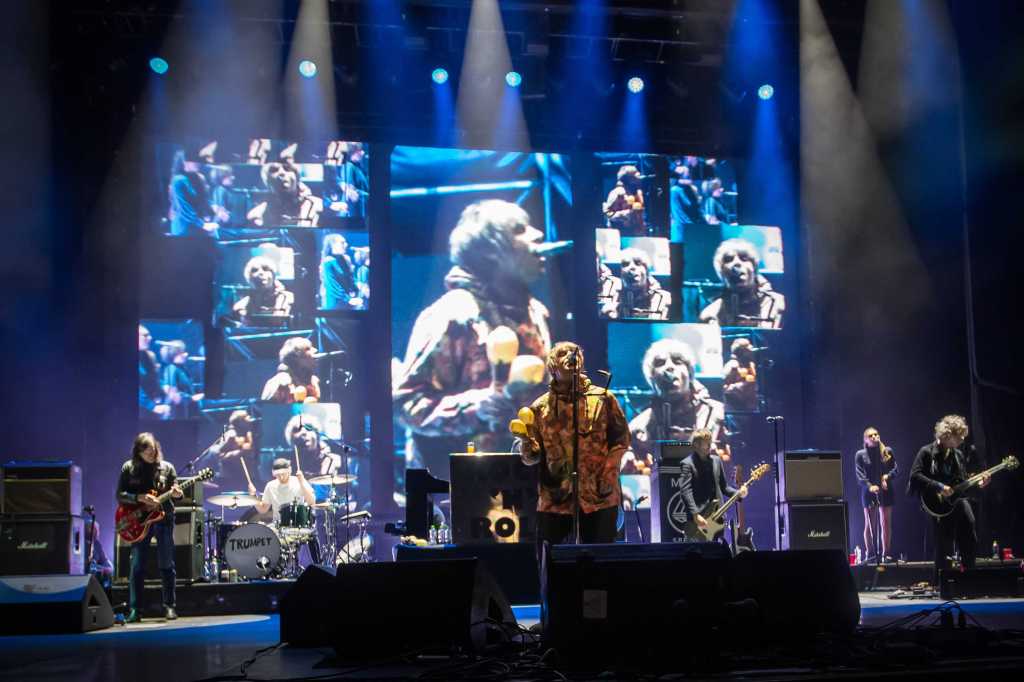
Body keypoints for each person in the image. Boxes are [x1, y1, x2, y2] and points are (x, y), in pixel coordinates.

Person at [393, 199, 552, 475]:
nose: (538, 234)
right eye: (519, 229)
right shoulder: (453, 314)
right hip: (463, 491)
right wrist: (479, 407)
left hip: (524, 483)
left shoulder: (535, 313)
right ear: (489, 251)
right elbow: (407, 405)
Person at [516, 342, 631, 547]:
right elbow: (531, 458)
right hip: (556, 500)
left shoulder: (603, 399)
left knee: (600, 563)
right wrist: (525, 443)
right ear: (552, 366)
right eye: (563, 353)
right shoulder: (540, 407)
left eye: (574, 352)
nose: (571, 355)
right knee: (552, 564)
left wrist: (610, 469)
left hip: (599, 496)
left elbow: (621, 439)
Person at [620, 339, 727, 474]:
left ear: (689, 372)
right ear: (652, 378)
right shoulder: (638, 428)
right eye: (660, 363)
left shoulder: (719, 415)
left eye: (677, 361)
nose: (669, 367)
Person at [908, 415, 989, 580]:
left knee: (969, 527)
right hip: (935, 503)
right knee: (944, 541)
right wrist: (939, 486)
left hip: (956, 501)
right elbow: (915, 476)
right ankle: (943, 582)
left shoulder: (958, 455)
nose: (962, 439)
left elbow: (961, 484)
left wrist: (979, 483)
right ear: (947, 435)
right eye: (959, 436)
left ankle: (969, 577)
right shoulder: (926, 452)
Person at [116, 432, 182, 622]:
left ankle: (169, 606)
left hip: (163, 518)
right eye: (148, 451)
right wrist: (139, 498)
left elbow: (176, 490)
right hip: (139, 521)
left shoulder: (167, 468)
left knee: (167, 563)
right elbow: (120, 494)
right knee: (137, 566)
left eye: (154, 450)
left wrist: (177, 494)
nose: (152, 454)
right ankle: (136, 609)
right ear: (139, 451)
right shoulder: (129, 468)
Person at [678, 428, 748, 541]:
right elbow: (685, 492)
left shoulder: (716, 461)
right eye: (707, 443)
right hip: (699, 519)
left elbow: (724, 487)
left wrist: (739, 493)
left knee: (715, 552)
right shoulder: (687, 464)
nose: (710, 445)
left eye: (710, 442)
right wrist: (695, 515)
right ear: (696, 445)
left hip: (718, 516)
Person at [699, 238, 785, 329]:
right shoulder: (710, 314)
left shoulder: (778, 304)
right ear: (721, 272)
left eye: (744, 258)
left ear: (754, 268)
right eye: (728, 259)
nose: (737, 263)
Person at [248, 457, 321, 564]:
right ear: (274, 474)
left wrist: (302, 481)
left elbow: (311, 502)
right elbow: (263, 509)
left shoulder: (298, 481)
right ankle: (266, 567)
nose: (281, 477)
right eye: (278, 475)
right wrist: (253, 496)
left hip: (299, 525)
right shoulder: (270, 486)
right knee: (262, 535)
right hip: (278, 526)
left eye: (284, 473)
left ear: (289, 470)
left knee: (312, 534)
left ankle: (318, 565)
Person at [855, 427, 898, 562]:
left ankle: (886, 554)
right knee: (870, 524)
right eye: (871, 435)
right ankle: (871, 554)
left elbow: (896, 469)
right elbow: (859, 474)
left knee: (886, 523)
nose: (874, 436)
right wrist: (870, 486)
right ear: (865, 440)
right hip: (869, 492)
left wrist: (887, 477)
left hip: (886, 490)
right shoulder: (860, 454)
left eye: (876, 434)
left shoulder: (887, 451)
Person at [248, 151, 323, 228]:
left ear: (297, 177)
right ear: (268, 181)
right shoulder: (257, 215)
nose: (281, 173)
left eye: (287, 168)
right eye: (274, 170)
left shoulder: (318, 206)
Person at [599, 248, 671, 320]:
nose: (632, 267)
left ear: (647, 270)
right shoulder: (613, 300)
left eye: (638, 263)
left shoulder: (665, 299)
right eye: (625, 264)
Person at [167, 147, 218, 237]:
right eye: (194, 160)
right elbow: (184, 208)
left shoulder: (198, 178)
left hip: (198, 228)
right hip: (184, 230)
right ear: (184, 162)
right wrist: (203, 224)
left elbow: (204, 200)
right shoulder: (179, 180)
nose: (198, 163)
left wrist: (213, 211)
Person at [204, 409, 259, 491]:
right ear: (240, 421)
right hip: (230, 476)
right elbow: (220, 455)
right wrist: (240, 452)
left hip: (245, 475)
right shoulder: (231, 435)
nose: (249, 418)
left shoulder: (248, 433)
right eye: (245, 417)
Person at [232, 256, 294, 327]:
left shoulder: (288, 298)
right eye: (255, 270)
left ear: (273, 275)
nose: (260, 273)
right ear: (249, 278)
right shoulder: (243, 304)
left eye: (265, 269)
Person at [261, 337, 321, 403]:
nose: (314, 357)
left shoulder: (313, 382)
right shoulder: (278, 382)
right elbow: (268, 410)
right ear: (297, 358)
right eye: (307, 350)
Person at [160, 340, 203, 419]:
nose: (186, 354)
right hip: (177, 413)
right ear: (174, 354)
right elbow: (170, 392)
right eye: (182, 352)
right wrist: (191, 398)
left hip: (187, 410)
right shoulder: (171, 368)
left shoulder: (182, 369)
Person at [602, 165, 646, 235]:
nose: (639, 175)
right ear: (628, 179)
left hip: (635, 235)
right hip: (620, 234)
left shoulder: (636, 193)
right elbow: (608, 214)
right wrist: (625, 214)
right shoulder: (617, 193)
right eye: (635, 174)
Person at [320, 234, 359, 309]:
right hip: (335, 304)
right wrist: (348, 299)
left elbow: (351, 278)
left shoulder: (345, 259)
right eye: (342, 243)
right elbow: (333, 286)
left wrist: (355, 290)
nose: (346, 245)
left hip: (348, 302)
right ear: (332, 245)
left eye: (345, 242)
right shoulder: (328, 262)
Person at [138, 325, 170, 419]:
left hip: (154, 406)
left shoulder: (149, 355)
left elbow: (154, 377)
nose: (150, 338)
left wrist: (164, 385)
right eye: (145, 335)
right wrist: (151, 406)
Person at [669, 159, 704, 242]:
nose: (691, 178)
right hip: (682, 231)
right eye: (687, 176)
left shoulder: (691, 189)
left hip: (692, 229)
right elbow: (679, 214)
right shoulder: (675, 191)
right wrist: (692, 228)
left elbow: (697, 211)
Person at [721, 338, 758, 412]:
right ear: (741, 352)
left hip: (750, 406)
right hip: (735, 408)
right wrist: (741, 386)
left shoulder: (750, 365)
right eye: (748, 351)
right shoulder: (733, 365)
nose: (751, 353)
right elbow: (723, 387)